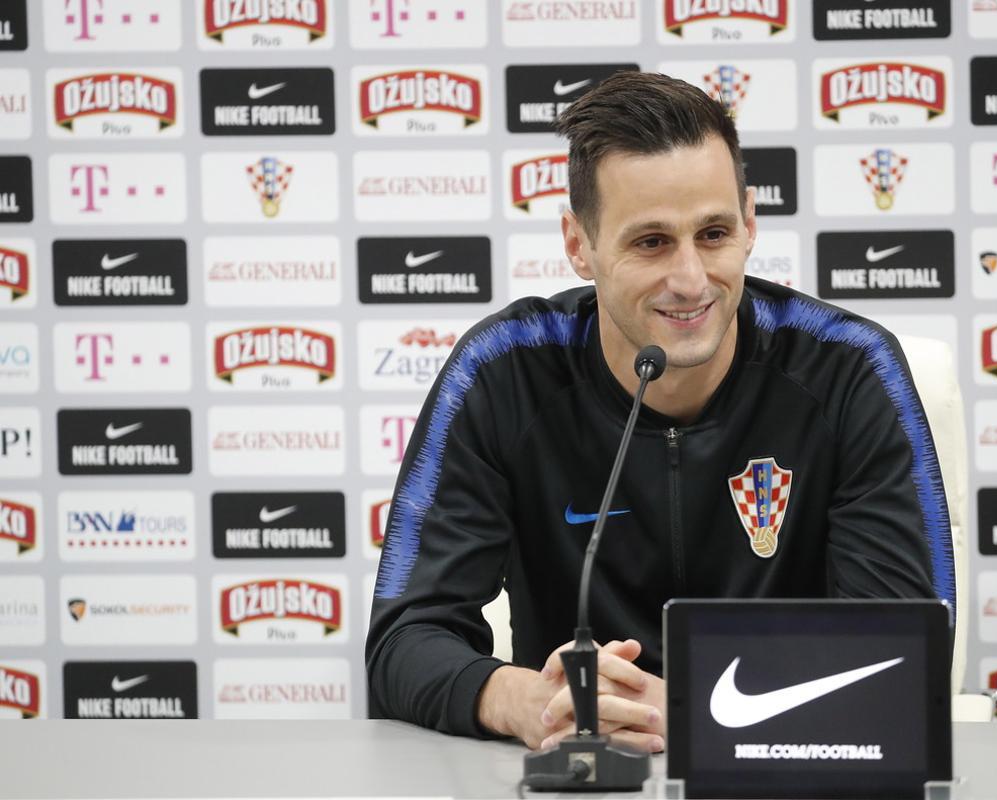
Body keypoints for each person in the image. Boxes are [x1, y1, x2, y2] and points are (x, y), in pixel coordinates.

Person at [367, 72, 955, 754]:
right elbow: (402, 642)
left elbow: (905, 659)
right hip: (580, 774)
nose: (689, 279)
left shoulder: (851, 370)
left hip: (785, 774)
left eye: (713, 233)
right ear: (577, 244)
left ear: (751, 221)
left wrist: (697, 715)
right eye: (650, 242)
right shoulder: (504, 371)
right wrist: (522, 700)